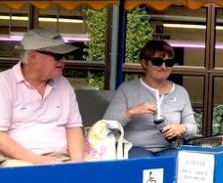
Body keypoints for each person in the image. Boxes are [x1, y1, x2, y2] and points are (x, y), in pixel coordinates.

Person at [0, 29, 84, 166]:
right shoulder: (4, 83)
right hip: (17, 159)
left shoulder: (64, 84)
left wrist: (78, 165)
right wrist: (38, 161)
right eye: (57, 56)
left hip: (61, 157)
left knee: (98, 172)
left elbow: (73, 127)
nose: (63, 60)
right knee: (26, 174)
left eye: (64, 56)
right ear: (33, 57)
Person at [103, 40, 197, 158]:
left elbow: (193, 127)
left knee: (176, 160)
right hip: (135, 148)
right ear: (144, 63)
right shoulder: (127, 89)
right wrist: (130, 112)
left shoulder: (180, 92)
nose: (164, 67)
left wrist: (182, 128)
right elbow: (106, 126)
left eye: (169, 62)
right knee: (142, 160)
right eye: (157, 62)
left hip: (169, 148)